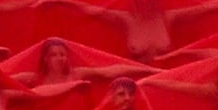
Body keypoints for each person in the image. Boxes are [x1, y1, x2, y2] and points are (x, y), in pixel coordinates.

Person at [46, 0, 218, 63]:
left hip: (163, 85)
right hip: (135, 86)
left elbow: (205, 9)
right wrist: (56, 2)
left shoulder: (168, 18)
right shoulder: (127, 20)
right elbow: (91, 11)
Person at [10, 37, 158, 89]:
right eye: (54, 55)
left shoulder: (77, 74)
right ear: (45, 59)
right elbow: (5, 81)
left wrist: (148, 71)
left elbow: (110, 71)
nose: (59, 58)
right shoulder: (35, 78)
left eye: (62, 54)